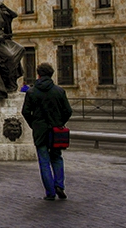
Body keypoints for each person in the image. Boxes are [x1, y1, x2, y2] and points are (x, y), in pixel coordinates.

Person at [22, 62, 73, 201]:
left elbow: (25, 111)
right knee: (57, 158)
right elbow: (68, 111)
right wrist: (60, 123)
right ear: (51, 74)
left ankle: (50, 192)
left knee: (44, 161)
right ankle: (60, 185)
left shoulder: (31, 92)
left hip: (40, 131)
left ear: (38, 74)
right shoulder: (59, 91)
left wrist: (34, 124)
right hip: (56, 130)